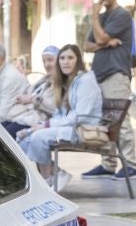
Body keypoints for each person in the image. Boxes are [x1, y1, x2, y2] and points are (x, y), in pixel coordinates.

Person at [80, 0, 136, 176]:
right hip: (99, 74)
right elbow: (87, 45)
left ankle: (130, 165)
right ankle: (108, 164)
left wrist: (95, 19)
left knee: (120, 120)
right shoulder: (102, 18)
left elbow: (101, 36)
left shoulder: (122, 15)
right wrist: (104, 43)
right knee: (104, 121)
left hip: (116, 74)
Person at [15, 45, 100, 178]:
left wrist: (46, 126)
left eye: (70, 58)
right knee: (24, 139)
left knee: (38, 138)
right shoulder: (68, 81)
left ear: (78, 61)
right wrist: (37, 127)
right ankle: (54, 174)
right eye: (62, 58)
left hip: (85, 130)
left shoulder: (85, 81)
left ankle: (48, 179)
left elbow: (80, 116)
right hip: (71, 127)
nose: (66, 61)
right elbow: (60, 114)